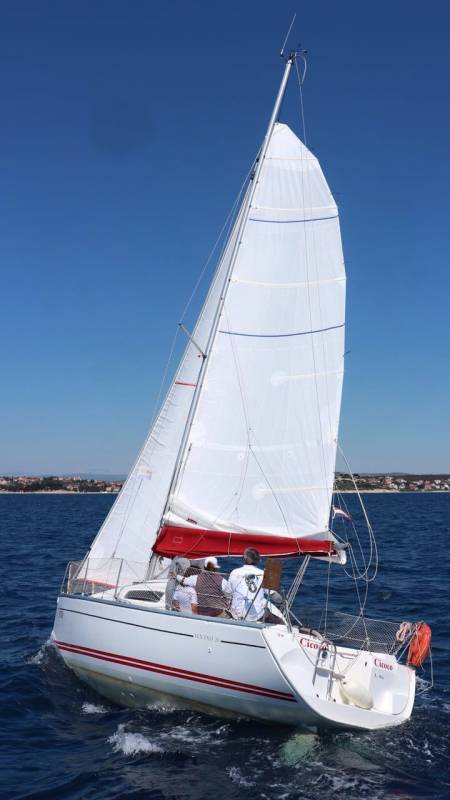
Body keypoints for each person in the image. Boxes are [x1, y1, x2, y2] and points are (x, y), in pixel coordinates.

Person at [228, 548, 266, 622]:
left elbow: (228, 592)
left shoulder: (234, 572)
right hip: (255, 617)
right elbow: (273, 594)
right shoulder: (263, 574)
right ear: (258, 560)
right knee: (278, 620)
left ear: (244, 559)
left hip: (236, 614)